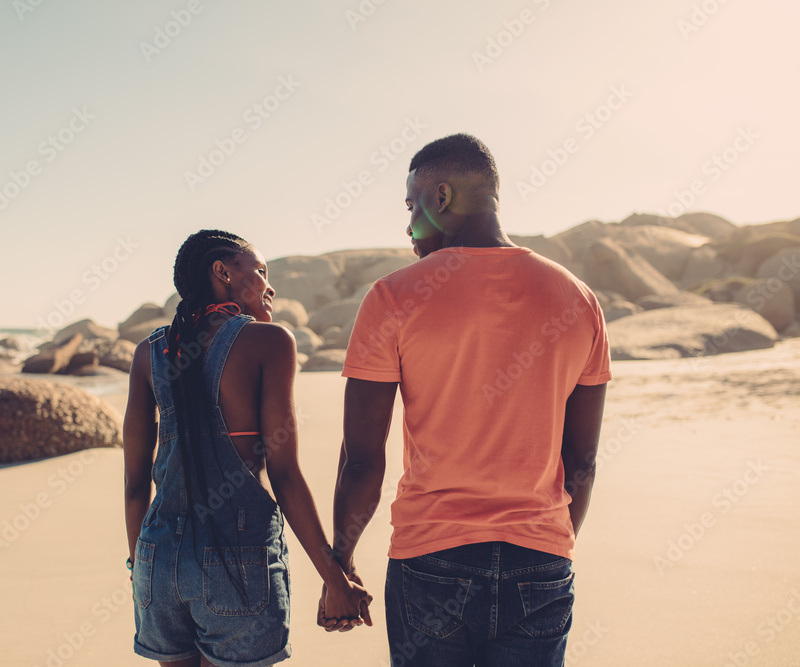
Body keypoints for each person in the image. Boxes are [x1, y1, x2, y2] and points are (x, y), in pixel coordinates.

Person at [319, 134, 612, 666]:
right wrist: (549, 547)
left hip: (431, 559)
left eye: (412, 205)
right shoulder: (578, 299)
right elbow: (583, 463)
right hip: (539, 560)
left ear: (442, 196)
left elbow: (363, 458)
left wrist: (341, 562)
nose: (408, 224)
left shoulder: (393, 297)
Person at [124, 229, 372, 667]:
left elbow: (133, 485)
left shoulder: (149, 352)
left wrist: (140, 570)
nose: (269, 285)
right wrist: (334, 578)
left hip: (156, 561)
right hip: (237, 561)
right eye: (260, 271)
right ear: (222, 272)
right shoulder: (269, 341)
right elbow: (285, 475)